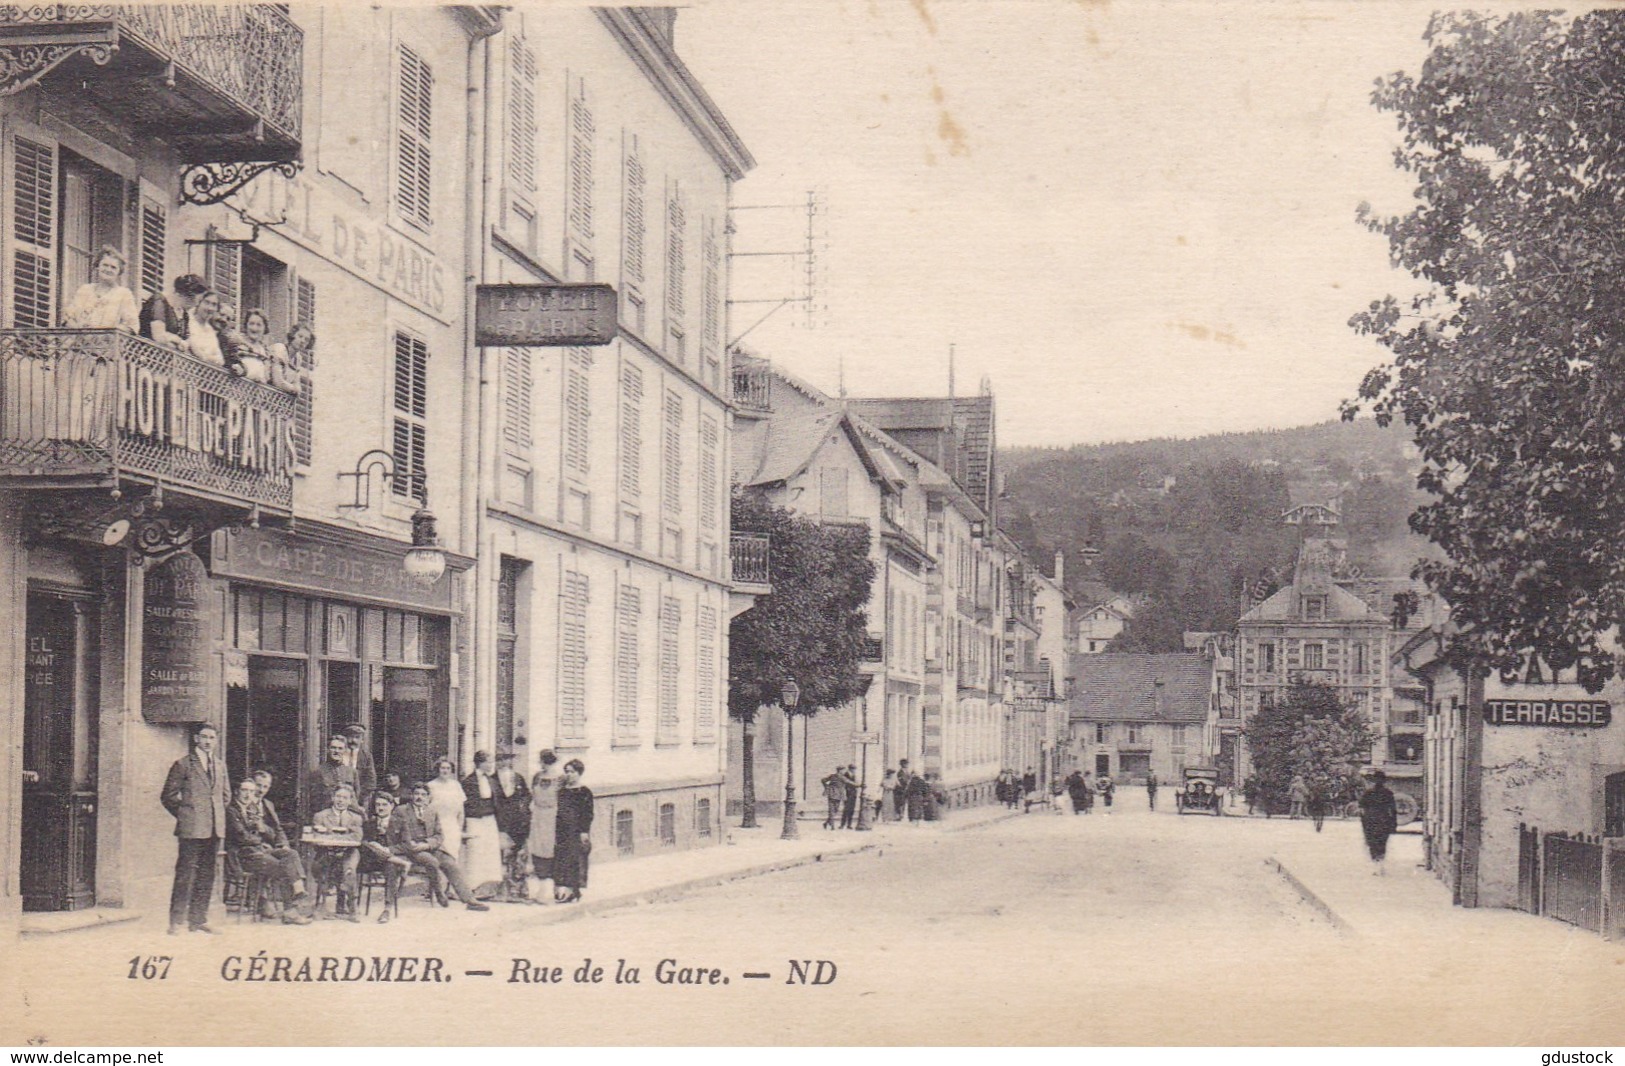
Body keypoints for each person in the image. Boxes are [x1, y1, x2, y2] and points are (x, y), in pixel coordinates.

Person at [160, 722, 231, 936]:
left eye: (212, 738)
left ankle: (198, 920)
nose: (208, 741)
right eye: (204, 737)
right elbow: (168, 796)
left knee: (207, 875)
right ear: (196, 739)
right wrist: (186, 815)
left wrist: (214, 815)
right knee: (185, 874)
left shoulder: (220, 765)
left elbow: (225, 796)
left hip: (214, 828)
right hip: (191, 828)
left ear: (216, 741)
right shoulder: (183, 764)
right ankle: (176, 922)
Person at [388, 783, 488, 911]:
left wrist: (428, 844)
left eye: (423, 795)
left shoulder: (432, 811)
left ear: (428, 797)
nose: (420, 797)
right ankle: (439, 892)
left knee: (451, 864)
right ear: (411, 796)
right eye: (417, 794)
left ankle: (470, 900)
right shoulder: (401, 810)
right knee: (432, 861)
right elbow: (394, 833)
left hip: (429, 847)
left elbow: (439, 835)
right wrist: (410, 846)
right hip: (411, 849)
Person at [226, 778, 313, 925]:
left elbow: (271, 832)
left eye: (251, 791)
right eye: (244, 791)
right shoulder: (231, 811)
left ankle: (298, 888)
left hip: (260, 851)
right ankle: (290, 911)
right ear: (237, 792)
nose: (248, 795)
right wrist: (261, 841)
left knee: (291, 854)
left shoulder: (253, 809)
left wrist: (263, 831)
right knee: (285, 868)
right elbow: (241, 836)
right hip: (245, 855)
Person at [309, 782, 364, 922]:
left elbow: (357, 837)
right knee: (321, 867)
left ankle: (352, 906)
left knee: (349, 869)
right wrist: (339, 837)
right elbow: (317, 836)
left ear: (350, 800)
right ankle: (321, 905)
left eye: (345, 798)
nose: (341, 800)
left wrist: (333, 836)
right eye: (338, 796)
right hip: (326, 852)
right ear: (332, 797)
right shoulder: (320, 816)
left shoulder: (356, 818)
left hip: (349, 852)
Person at [360, 791, 411, 923]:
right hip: (371, 861)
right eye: (377, 805)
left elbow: (407, 845)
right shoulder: (369, 823)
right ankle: (402, 863)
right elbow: (364, 843)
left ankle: (387, 909)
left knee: (391, 867)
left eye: (384, 805)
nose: (380, 808)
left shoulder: (400, 822)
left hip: (390, 860)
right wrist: (374, 846)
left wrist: (387, 849)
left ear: (392, 806)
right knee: (367, 845)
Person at [61, 246, 138, 332]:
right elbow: (68, 318)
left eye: (113, 267)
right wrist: (80, 329)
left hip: (108, 343)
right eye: (105, 265)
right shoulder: (85, 289)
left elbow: (131, 326)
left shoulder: (124, 294)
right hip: (79, 343)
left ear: (119, 272)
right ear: (98, 266)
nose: (108, 269)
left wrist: (105, 331)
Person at [461, 750, 504, 897]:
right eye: (489, 762)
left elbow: (497, 802)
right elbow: (464, 804)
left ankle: (488, 887)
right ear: (480, 763)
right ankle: (472, 886)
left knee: (490, 852)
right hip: (474, 820)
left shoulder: (492, 780)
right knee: (475, 852)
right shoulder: (468, 782)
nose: (491, 765)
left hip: (489, 820)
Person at [492, 750, 531, 900]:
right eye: (499, 759)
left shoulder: (518, 778)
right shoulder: (492, 780)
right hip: (499, 823)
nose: (503, 762)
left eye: (506, 759)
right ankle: (503, 890)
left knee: (519, 857)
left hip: (518, 823)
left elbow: (527, 796)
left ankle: (519, 888)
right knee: (502, 857)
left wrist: (522, 810)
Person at [554, 759, 594, 903]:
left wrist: (584, 831)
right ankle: (566, 890)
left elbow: (587, 813)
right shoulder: (562, 791)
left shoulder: (584, 792)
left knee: (575, 860)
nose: (569, 775)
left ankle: (573, 890)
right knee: (562, 859)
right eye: (567, 772)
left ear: (579, 773)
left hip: (576, 831)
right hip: (562, 830)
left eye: (572, 772)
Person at [139, 273, 207, 349]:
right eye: (198, 300)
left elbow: (187, 341)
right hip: (147, 352)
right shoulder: (159, 302)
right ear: (185, 295)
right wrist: (178, 341)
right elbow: (158, 336)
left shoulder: (183, 313)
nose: (197, 305)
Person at [527, 750, 560, 904]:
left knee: (552, 849)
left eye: (543, 761)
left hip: (553, 816)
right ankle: (541, 888)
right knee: (538, 849)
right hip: (538, 816)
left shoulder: (560, 778)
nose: (541, 764)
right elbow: (532, 795)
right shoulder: (537, 777)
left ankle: (554, 888)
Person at [425, 756, 467, 876]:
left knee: (453, 856)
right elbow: (426, 808)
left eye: (448, 768)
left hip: (452, 826)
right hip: (437, 827)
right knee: (437, 858)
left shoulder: (456, 785)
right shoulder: (431, 785)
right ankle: (435, 889)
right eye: (442, 768)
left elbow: (461, 809)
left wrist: (459, 827)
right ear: (438, 769)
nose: (445, 771)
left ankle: (450, 888)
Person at [305, 735, 360, 824]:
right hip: (326, 819)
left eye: (340, 748)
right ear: (328, 749)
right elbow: (314, 800)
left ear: (345, 750)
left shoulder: (352, 772)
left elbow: (356, 796)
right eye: (333, 748)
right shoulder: (318, 772)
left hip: (347, 820)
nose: (336, 751)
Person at [1358, 771, 1399, 875]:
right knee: (1382, 842)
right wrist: (1393, 824)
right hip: (1384, 820)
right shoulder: (1388, 793)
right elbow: (1393, 810)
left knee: (1372, 843)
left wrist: (1363, 821)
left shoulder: (1368, 793)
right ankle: (1380, 864)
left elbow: (1362, 808)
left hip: (1370, 821)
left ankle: (1376, 865)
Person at [268, 321, 312, 395]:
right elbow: (278, 381)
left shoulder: (298, 358)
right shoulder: (280, 349)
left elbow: (297, 383)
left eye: (306, 340)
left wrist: (296, 389)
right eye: (300, 336)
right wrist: (294, 389)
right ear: (293, 335)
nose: (302, 341)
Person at [184, 289, 226, 366]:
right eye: (206, 302)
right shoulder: (186, 320)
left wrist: (204, 357)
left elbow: (220, 360)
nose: (210, 308)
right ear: (199, 303)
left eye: (214, 305)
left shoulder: (210, 331)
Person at [232, 308, 273, 382]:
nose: (254, 328)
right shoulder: (237, 343)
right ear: (246, 325)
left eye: (259, 325)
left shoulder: (265, 351)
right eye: (251, 323)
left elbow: (267, 376)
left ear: (264, 328)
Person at [343, 723, 378, 801]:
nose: (353, 740)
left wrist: (358, 796)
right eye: (350, 737)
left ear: (362, 740)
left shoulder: (366, 756)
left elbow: (371, 781)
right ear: (345, 738)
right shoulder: (340, 754)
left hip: (360, 797)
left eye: (357, 737)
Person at [839, 764, 860, 829]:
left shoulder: (853, 775)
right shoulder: (845, 775)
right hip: (847, 794)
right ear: (850, 769)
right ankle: (842, 824)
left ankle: (849, 825)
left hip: (853, 794)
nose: (854, 770)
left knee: (851, 810)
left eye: (854, 769)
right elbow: (847, 784)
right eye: (853, 769)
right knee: (846, 809)